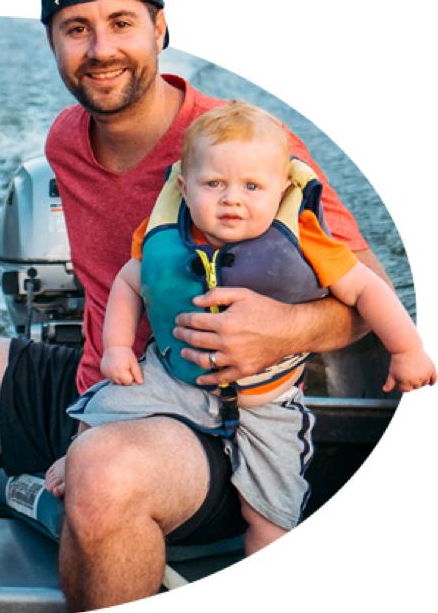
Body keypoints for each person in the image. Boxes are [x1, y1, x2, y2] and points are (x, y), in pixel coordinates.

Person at [0, 0, 389, 610]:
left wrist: (286, 327)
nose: (100, 49)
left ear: (160, 29)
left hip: (214, 421)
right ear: (53, 43)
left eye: (122, 23)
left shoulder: (243, 150)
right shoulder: (65, 140)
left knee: (104, 471)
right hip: (99, 387)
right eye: (76, 30)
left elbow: (370, 288)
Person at [43, 100, 436, 555]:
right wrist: (116, 347)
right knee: (99, 410)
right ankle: (74, 461)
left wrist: (406, 350)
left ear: (281, 191)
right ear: (185, 189)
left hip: (265, 402)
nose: (232, 198)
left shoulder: (305, 237)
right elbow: (129, 283)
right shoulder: (163, 232)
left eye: (252, 186)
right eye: (214, 183)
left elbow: (368, 291)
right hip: (171, 380)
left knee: (273, 518)